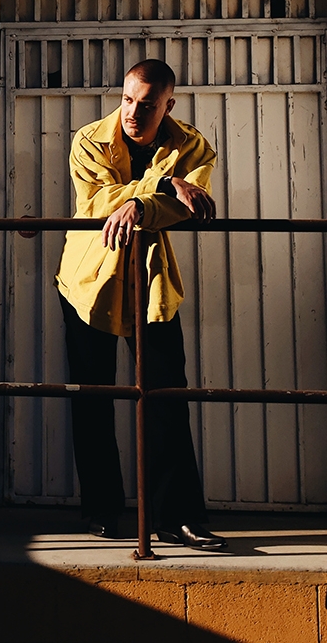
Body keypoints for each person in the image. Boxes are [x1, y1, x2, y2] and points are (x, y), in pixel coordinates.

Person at [55, 58, 226, 551]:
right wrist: (164, 185)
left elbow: (196, 207)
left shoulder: (191, 145)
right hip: (88, 283)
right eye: (127, 99)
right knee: (94, 399)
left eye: (147, 104)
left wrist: (145, 203)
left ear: (167, 105)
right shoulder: (90, 139)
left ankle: (179, 519)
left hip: (150, 284)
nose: (132, 112)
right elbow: (98, 202)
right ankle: (104, 511)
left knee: (167, 399)